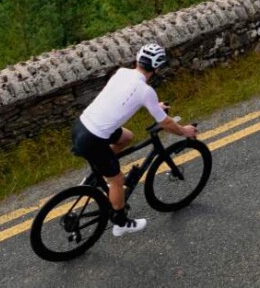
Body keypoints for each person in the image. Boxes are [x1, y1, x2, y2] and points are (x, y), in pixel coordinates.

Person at [71, 43, 199, 236]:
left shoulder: (122, 72)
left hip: (81, 125)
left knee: (126, 136)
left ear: (138, 60)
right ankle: (120, 223)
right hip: (94, 139)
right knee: (117, 180)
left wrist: (154, 105)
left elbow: (122, 96)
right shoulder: (146, 91)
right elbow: (166, 123)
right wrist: (185, 131)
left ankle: (97, 172)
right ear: (157, 68)